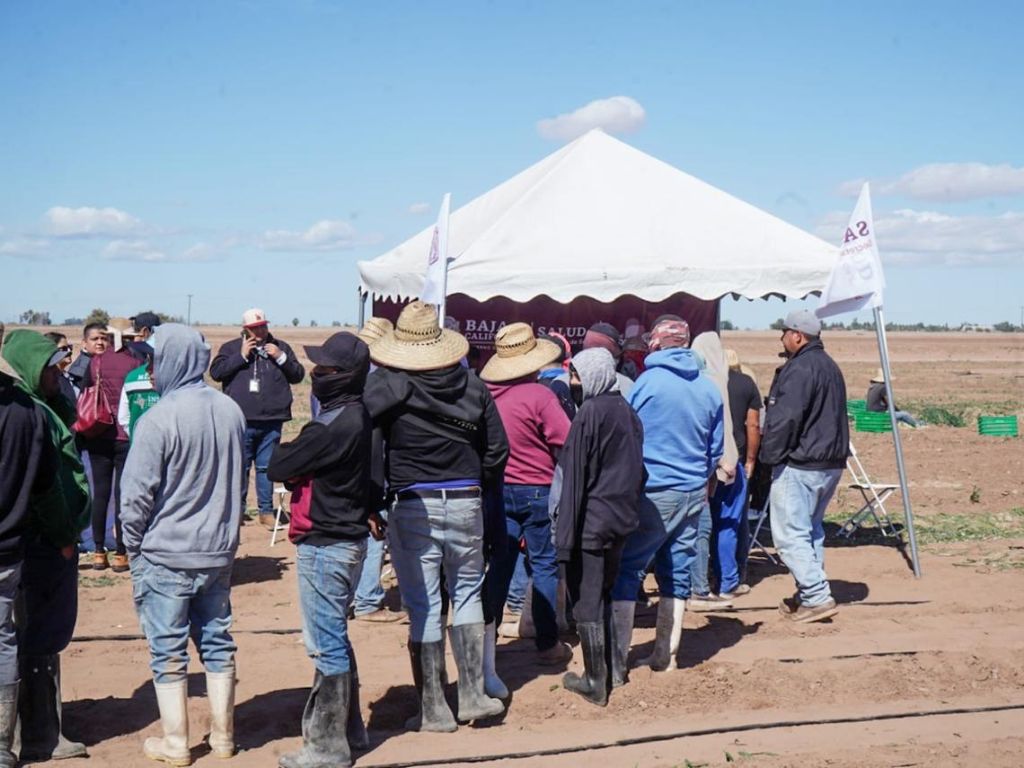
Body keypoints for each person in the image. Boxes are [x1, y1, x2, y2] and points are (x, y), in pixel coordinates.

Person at [363, 301, 508, 732]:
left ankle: (433, 710)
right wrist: (471, 479)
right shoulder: (473, 385)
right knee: (466, 592)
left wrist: (372, 499)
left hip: (412, 504)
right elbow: (497, 450)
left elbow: (369, 444)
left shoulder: (387, 388)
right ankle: (473, 697)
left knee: (424, 605)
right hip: (467, 500)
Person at [120, 324, 246, 765]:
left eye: (156, 359)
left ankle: (176, 743)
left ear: (173, 359)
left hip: (167, 554)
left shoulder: (158, 418)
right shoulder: (231, 410)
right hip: (219, 549)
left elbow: (135, 496)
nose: (152, 370)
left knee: (167, 649)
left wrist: (134, 548)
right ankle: (224, 737)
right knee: (217, 640)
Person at [267, 332, 380, 768]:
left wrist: (293, 453)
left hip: (324, 545)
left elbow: (279, 464)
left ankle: (327, 746)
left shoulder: (329, 425)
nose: (315, 374)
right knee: (337, 635)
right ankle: (352, 732)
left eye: (325, 369)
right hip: (349, 541)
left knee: (325, 643)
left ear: (345, 376)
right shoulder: (359, 415)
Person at [609, 318, 724, 676]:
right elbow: (715, 448)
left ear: (657, 345)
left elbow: (629, 435)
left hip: (654, 491)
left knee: (629, 568)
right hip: (693, 492)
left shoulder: (647, 383)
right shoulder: (708, 388)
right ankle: (666, 655)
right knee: (677, 571)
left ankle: (615, 659)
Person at [2, 330, 91, 762]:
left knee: (36, 634)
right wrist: (63, 539)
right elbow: (48, 487)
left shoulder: (46, 407)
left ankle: (40, 728)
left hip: (41, 539)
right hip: (43, 542)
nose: (59, 372)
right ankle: (39, 734)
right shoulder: (31, 412)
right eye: (50, 367)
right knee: (38, 633)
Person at [480, 323, 573, 692]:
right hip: (538, 489)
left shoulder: (485, 394)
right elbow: (564, 438)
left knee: (499, 563)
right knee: (545, 564)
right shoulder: (539, 395)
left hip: (499, 489)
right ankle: (547, 642)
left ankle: (487, 641)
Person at [555, 348, 644, 707]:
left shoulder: (589, 414)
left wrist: (564, 540)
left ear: (591, 376)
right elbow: (640, 471)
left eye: (576, 376)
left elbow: (574, 480)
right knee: (605, 591)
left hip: (592, 522)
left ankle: (594, 682)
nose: (573, 383)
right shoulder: (628, 411)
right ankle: (613, 669)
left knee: (588, 600)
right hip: (621, 520)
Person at [760, 310, 849, 624]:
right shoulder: (829, 366)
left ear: (797, 335)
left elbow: (786, 419)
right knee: (810, 531)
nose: (781, 337)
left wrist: (769, 456)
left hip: (802, 462)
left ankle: (816, 596)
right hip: (830, 462)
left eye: (783, 331)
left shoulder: (799, 369)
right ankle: (808, 592)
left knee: (789, 535)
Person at [210, 308, 305, 529]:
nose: (259, 332)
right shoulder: (231, 348)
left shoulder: (281, 348)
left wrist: (280, 357)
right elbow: (216, 373)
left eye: (262, 326)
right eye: (254, 329)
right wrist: (241, 355)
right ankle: (238, 511)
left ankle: (265, 511)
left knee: (265, 467)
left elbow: (298, 375)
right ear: (245, 330)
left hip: (272, 419)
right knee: (239, 467)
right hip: (240, 419)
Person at [348, 319, 404, 625]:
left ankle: (352, 596)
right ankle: (368, 597)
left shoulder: (341, 377)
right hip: (374, 469)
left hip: (344, 468)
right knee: (377, 532)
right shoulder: (383, 382)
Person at [80, 318, 138, 572]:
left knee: (100, 494)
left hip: (98, 433)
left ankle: (98, 551)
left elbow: (85, 391)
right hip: (125, 437)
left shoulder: (96, 362)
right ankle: (121, 553)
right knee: (122, 494)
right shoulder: (135, 363)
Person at [690, 332, 741, 608]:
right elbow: (718, 427)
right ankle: (697, 588)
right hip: (703, 466)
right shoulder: (712, 381)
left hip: (691, 466)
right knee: (702, 526)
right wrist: (722, 459)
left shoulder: (692, 380)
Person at [724, 348, 762, 591]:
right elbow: (753, 424)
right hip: (736, 457)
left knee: (712, 522)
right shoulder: (746, 384)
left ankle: (710, 576)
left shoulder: (707, 383)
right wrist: (751, 459)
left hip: (713, 460)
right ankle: (734, 574)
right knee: (734, 519)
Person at [65, 322, 107, 392]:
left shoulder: (102, 362)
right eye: (95, 339)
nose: (100, 343)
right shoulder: (80, 371)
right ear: (84, 343)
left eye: (104, 339)